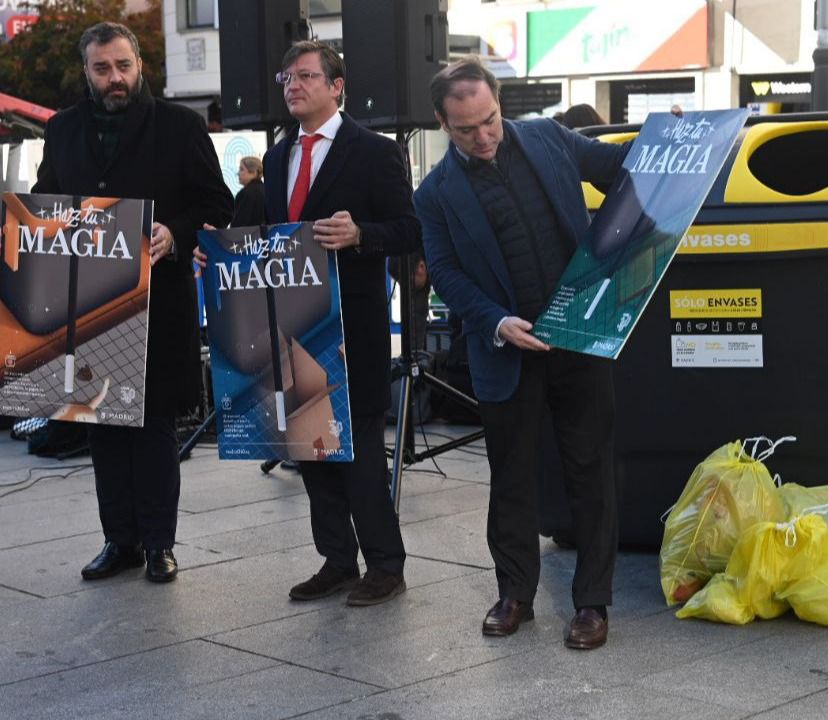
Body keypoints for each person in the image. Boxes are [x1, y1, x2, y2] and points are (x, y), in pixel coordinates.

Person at [415, 57, 629, 650]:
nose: (483, 137)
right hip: (506, 351)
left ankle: (592, 603)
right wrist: (496, 322)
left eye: (490, 120)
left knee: (590, 470)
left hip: (579, 339)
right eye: (466, 129)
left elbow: (621, 166)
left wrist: (678, 139)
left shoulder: (548, 137)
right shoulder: (434, 193)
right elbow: (449, 276)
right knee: (511, 477)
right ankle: (514, 596)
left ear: (499, 104)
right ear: (442, 122)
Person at [34, 22, 232, 583]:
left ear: (139, 64)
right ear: (87, 71)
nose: (114, 78)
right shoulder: (63, 129)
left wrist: (177, 231)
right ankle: (117, 540)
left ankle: (158, 545)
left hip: (158, 302)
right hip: (87, 304)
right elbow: (45, 208)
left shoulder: (180, 126)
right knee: (101, 427)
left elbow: (218, 204)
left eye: (123, 66)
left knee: (153, 431)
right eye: (102, 68)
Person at [260, 40, 419, 606]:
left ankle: (386, 564)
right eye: (287, 77)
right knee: (309, 446)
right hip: (295, 324)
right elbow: (261, 232)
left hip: (354, 327)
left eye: (305, 76)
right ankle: (336, 559)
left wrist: (361, 235)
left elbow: (409, 228)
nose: (293, 85)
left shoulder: (373, 152)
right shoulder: (279, 158)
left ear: (336, 86)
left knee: (360, 453)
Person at [231, 155, 265, 227]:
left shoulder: (245, 194)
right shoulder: (267, 190)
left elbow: (238, 225)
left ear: (253, 171)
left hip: (247, 237)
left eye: (241, 169)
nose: (238, 173)